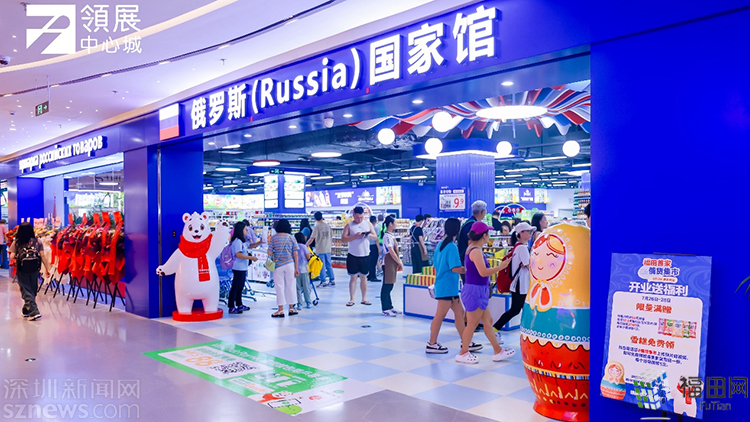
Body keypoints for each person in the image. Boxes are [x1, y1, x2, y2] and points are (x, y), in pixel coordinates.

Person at [456, 222, 514, 364]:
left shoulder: (474, 248)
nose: (489, 236)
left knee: (488, 321)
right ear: (484, 235)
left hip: (478, 290)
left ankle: (497, 350)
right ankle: (463, 353)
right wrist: (501, 267)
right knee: (472, 323)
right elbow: (483, 272)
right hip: (475, 291)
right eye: (488, 233)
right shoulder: (475, 251)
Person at [426, 218, 482, 354]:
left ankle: (465, 341)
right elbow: (455, 268)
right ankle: (432, 343)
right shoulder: (451, 246)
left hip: (446, 286)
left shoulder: (441, 245)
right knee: (440, 315)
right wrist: (470, 270)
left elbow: (436, 265)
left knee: (459, 313)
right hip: (447, 287)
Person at [493, 222, 533, 337]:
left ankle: (495, 329)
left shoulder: (517, 247)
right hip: (521, 285)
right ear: (521, 233)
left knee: (517, 309)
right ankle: (495, 329)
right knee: (517, 309)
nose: (530, 234)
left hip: (518, 284)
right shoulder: (522, 248)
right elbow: (528, 265)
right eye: (528, 231)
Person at [9, 222, 51, 321]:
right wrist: (47, 268)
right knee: (32, 289)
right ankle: (26, 310)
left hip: (22, 268)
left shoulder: (17, 242)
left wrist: (19, 256)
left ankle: (34, 312)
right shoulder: (38, 241)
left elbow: (12, 256)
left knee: (25, 290)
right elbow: (42, 255)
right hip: (34, 268)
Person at [341, 206, 376, 306]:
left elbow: (375, 237)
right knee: (353, 277)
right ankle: (352, 299)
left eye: (361, 217)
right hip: (353, 255)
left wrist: (368, 235)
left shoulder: (368, 224)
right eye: (357, 217)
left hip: (365, 254)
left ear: (364, 215)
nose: (359, 219)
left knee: (364, 277)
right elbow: (343, 238)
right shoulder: (349, 225)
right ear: (353, 215)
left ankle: (364, 298)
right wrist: (355, 236)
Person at [269, 219, 299, 318]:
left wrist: (275, 252)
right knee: (291, 286)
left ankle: (280, 310)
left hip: (278, 266)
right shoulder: (291, 237)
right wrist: (296, 268)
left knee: (279, 287)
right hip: (290, 264)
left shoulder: (273, 238)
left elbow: (269, 252)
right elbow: (295, 254)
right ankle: (291, 308)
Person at [229, 221, 258, 314]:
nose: (247, 231)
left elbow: (250, 246)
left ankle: (239, 304)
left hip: (242, 267)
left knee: (240, 287)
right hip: (238, 267)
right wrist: (250, 258)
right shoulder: (237, 241)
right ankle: (231, 306)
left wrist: (260, 242)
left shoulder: (242, 241)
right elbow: (238, 254)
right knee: (236, 287)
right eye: (245, 229)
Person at [380, 216, 403, 316]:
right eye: (395, 222)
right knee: (387, 286)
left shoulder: (390, 235)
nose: (396, 224)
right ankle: (385, 308)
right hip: (388, 263)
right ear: (390, 224)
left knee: (390, 285)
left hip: (392, 263)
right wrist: (399, 262)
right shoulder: (387, 236)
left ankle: (390, 306)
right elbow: (391, 251)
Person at [307, 212, 335, 287]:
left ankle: (323, 281)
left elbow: (312, 238)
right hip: (328, 248)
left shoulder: (317, 227)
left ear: (315, 218)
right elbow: (331, 237)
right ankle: (332, 280)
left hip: (320, 248)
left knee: (321, 265)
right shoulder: (328, 226)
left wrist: (306, 245)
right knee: (329, 264)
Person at [458, 201, 487, 271]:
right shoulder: (473, 225)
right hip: (468, 260)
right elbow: (471, 244)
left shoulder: (468, 222)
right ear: (483, 212)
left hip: (463, 257)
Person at [294, 232, 313, 309]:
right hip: (304, 269)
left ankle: (299, 304)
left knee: (297, 287)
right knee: (306, 286)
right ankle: (308, 302)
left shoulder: (293, 246)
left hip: (295, 269)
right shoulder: (304, 246)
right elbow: (308, 257)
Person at [367, 215, 380, 282]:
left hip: (368, 246)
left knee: (370, 261)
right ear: (375, 220)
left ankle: (369, 275)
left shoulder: (367, 227)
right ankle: (373, 276)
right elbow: (376, 238)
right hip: (374, 246)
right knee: (374, 262)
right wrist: (379, 248)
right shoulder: (376, 227)